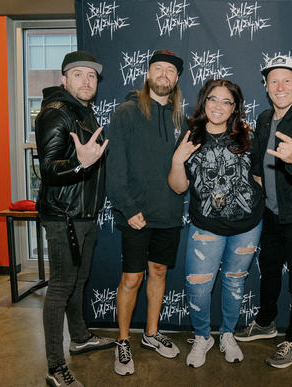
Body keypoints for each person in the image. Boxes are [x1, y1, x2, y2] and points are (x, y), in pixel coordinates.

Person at [234, 55, 292, 369]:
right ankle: (266, 322)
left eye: (287, 79)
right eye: (274, 81)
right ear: (266, 87)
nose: (280, 86)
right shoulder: (263, 119)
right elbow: (258, 161)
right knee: (269, 271)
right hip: (272, 214)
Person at [168, 79, 264, 368]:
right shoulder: (190, 135)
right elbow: (178, 187)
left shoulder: (247, 136)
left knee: (234, 284)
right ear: (203, 102)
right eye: (213, 99)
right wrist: (177, 160)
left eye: (226, 101)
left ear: (235, 107)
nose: (219, 106)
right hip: (206, 225)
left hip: (247, 226)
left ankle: (227, 335)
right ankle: (201, 336)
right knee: (198, 287)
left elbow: (258, 177)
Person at [106, 49, 188, 376]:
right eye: (158, 68)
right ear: (148, 74)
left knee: (158, 272)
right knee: (131, 278)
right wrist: (128, 208)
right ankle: (123, 341)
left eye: (170, 69)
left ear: (177, 78)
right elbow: (115, 170)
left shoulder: (182, 118)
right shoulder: (125, 113)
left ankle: (151, 334)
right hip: (135, 214)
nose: (164, 74)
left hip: (169, 212)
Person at [35, 50, 113, 387]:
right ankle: (55, 367)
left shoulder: (83, 112)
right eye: (78, 74)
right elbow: (49, 170)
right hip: (64, 217)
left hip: (83, 216)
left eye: (92, 76)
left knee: (79, 282)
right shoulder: (57, 112)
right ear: (64, 79)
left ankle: (79, 337)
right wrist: (80, 164)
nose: (86, 81)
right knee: (61, 287)